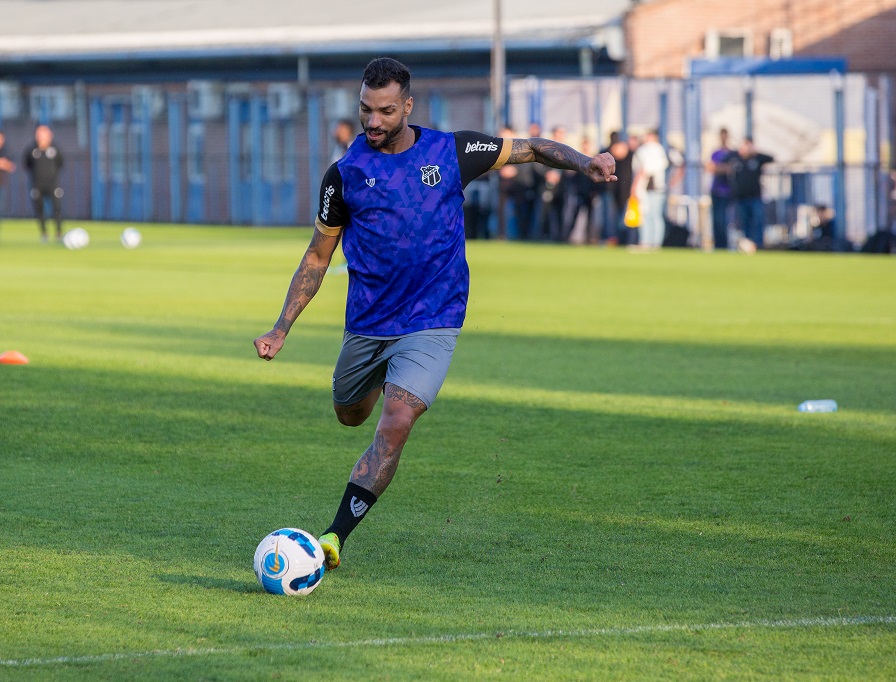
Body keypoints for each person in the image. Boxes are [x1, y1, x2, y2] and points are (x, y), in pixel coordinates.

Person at [252, 58, 616, 573]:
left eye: (383, 111)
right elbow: (317, 256)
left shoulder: (453, 150)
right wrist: (281, 326)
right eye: (364, 110)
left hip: (433, 318)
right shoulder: (345, 176)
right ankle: (378, 377)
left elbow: (531, 149)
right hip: (369, 322)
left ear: (407, 106)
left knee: (396, 421)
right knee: (349, 413)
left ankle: (334, 536)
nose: (372, 122)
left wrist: (585, 162)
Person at [23, 124, 65, 243]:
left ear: (50, 135)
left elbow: (60, 163)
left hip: (53, 184)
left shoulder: (55, 149)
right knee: (39, 208)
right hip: (37, 184)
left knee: (57, 208)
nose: (42, 136)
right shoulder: (32, 150)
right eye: (40, 133)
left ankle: (58, 232)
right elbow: (27, 165)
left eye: (45, 133)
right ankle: (44, 233)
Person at [631, 129, 670, 249]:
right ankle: (654, 242)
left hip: (650, 188)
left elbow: (643, 169)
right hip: (656, 188)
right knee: (653, 215)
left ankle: (647, 241)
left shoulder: (647, 150)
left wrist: (634, 187)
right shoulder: (660, 150)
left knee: (649, 215)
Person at [706, 128, 734, 250]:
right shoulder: (715, 153)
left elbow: (731, 169)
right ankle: (717, 244)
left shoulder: (731, 153)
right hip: (715, 190)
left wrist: (720, 168)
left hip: (727, 191)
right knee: (716, 219)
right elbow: (711, 168)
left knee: (724, 219)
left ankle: (724, 244)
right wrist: (722, 168)